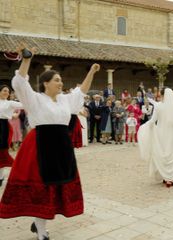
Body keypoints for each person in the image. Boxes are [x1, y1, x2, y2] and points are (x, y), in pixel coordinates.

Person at [0, 46, 100, 240]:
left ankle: (39, 224)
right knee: (42, 188)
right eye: (57, 80)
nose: (60, 83)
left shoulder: (65, 100)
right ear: (45, 83)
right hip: (40, 147)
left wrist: (92, 72)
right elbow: (20, 83)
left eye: (61, 80)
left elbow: (81, 91)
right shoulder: (35, 99)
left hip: (61, 148)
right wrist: (27, 60)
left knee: (55, 187)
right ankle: (42, 231)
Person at [138, 88, 173, 188]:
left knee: (163, 154)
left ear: (162, 95)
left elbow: (153, 120)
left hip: (161, 133)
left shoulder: (158, 105)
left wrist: (145, 127)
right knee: (172, 154)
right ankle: (170, 178)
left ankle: (168, 177)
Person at [0, 85, 23, 186]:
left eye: (8, 91)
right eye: (4, 91)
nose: (7, 93)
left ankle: (0, 177)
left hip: (3, 127)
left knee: (2, 152)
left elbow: (24, 105)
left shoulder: (10, 103)